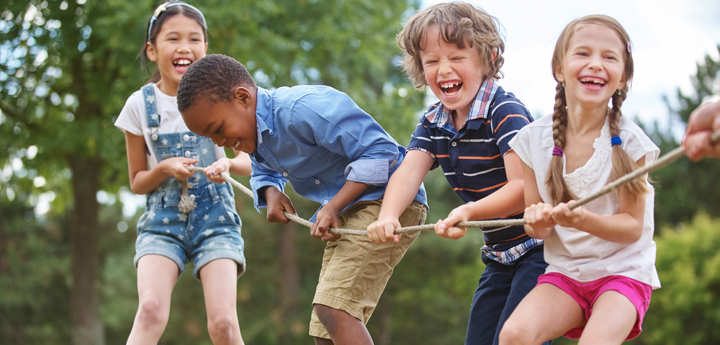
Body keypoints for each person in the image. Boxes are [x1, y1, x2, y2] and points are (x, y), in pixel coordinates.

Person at [176, 54, 428, 345]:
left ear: (243, 97)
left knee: (333, 310)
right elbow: (262, 169)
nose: (218, 142)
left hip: (387, 202)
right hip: (349, 211)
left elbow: (382, 152)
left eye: (218, 129)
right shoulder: (258, 137)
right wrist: (271, 192)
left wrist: (333, 205)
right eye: (210, 137)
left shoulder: (301, 109)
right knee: (324, 331)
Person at [366, 3, 547, 345]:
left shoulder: (504, 111)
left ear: (488, 58)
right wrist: (388, 215)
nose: (444, 69)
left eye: (457, 57)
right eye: (432, 61)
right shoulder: (434, 122)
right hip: (499, 256)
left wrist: (468, 211)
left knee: (517, 338)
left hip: (541, 250)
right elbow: (408, 172)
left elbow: (523, 187)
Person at [499, 15, 660, 344]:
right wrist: (536, 219)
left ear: (623, 76)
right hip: (566, 274)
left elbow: (632, 228)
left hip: (622, 273)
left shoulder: (632, 143)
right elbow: (538, 229)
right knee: (514, 335)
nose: (596, 64)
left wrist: (582, 220)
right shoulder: (532, 141)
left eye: (609, 57)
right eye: (583, 53)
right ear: (559, 68)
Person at [114, 2, 251, 344]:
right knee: (150, 310)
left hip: (215, 218)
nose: (184, 48)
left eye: (194, 39)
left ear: (206, 47)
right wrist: (162, 168)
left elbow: (252, 162)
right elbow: (136, 182)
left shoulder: (225, 97)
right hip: (162, 222)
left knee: (223, 323)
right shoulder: (138, 105)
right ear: (152, 49)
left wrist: (228, 164)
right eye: (173, 38)